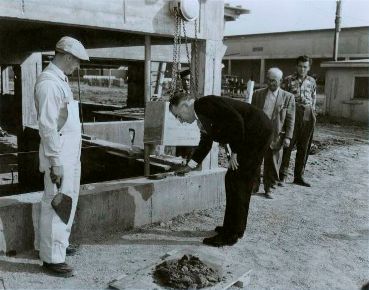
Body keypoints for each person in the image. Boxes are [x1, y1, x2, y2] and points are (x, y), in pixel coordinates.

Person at [169, 92, 272, 247]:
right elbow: (206, 142)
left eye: (178, 115)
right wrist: (189, 166)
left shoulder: (204, 104)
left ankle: (230, 235)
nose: (180, 120)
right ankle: (233, 228)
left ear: (184, 106)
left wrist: (235, 152)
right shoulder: (201, 115)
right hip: (250, 134)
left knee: (239, 181)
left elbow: (237, 120)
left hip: (256, 132)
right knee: (233, 179)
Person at [34, 36, 89, 277]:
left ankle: (59, 246)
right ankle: (52, 259)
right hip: (58, 153)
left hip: (69, 151)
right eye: (76, 62)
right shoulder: (49, 83)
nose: (77, 66)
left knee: (68, 201)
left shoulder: (60, 80)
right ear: (67, 57)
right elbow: (47, 126)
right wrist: (55, 161)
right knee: (57, 203)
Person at [252, 68, 295, 198]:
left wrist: (288, 137)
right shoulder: (257, 94)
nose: (271, 83)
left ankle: (269, 187)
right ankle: (254, 185)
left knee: (273, 163)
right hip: (260, 134)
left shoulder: (288, 97)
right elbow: (252, 115)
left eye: (274, 81)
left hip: (276, 135)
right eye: (269, 80)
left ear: (280, 81)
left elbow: (290, 119)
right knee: (256, 161)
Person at [279, 55, 317, 187]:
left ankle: (299, 176)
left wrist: (313, 114)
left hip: (307, 114)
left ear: (309, 68)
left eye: (305, 67)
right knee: (288, 144)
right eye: (300, 66)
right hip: (293, 113)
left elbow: (313, 98)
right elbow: (283, 99)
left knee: (304, 146)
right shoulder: (288, 80)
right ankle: (282, 176)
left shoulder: (312, 81)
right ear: (296, 66)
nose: (302, 69)